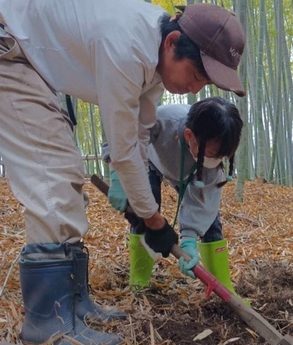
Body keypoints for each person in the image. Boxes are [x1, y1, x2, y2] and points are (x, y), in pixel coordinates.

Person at [0, 0, 246, 345]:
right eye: (197, 76)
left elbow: (138, 133)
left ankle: (74, 305)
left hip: (26, 61)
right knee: (54, 174)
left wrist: (147, 208)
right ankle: (49, 322)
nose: (195, 89)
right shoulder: (128, 48)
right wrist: (153, 220)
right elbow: (123, 150)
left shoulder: (153, 64)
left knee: (68, 172)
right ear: (172, 44)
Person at [104, 97, 244, 296]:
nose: (216, 160)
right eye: (213, 153)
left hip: (191, 174)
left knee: (212, 222)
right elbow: (122, 137)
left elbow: (203, 205)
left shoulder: (213, 164)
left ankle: (223, 287)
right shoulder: (160, 120)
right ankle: (139, 280)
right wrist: (117, 173)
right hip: (151, 162)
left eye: (221, 156)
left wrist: (189, 240)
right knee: (144, 212)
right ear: (189, 135)